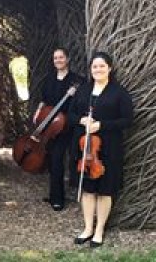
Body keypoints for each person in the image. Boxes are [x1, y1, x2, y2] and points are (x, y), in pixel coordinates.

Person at [69, 51, 133, 247]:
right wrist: (81, 119)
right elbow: (71, 115)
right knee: (87, 190)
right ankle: (88, 228)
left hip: (109, 148)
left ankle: (99, 230)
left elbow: (127, 120)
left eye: (102, 66)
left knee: (105, 191)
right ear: (91, 69)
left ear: (109, 68)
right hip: (85, 148)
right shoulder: (83, 90)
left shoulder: (119, 92)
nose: (98, 69)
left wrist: (102, 125)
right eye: (94, 66)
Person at [33, 47, 84, 211]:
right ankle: (56, 195)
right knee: (54, 159)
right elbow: (44, 99)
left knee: (67, 159)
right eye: (55, 58)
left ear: (67, 59)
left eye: (61, 57)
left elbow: (82, 103)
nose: (58, 60)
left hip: (69, 125)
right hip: (52, 126)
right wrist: (38, 111)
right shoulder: (49, 79)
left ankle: (70, 197)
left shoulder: (77, 80)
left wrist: (74, 94)